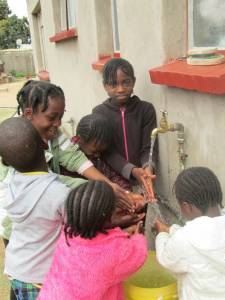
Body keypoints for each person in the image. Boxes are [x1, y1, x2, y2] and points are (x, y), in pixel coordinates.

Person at [0, 80, 133, 243]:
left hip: (46, 223)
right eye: (52, 117)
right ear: (29, 114)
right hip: (19, 232)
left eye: (61, 116)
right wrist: (101, 188)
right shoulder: (13, 143)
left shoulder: (52, 132)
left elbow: (73, 157)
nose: (58, 123)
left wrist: (107, 184)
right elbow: (45, 182)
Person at [154, 167, 225, 300]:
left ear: (186, 206)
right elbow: (209, 237)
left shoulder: (186, 239)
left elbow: (166, 259)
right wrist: (172, 230)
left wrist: (161, 234)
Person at [38, 180, 148, 300]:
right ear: (108, 217)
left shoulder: (68, 233)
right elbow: (138, 257)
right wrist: (138, 236)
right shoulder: (116, 250)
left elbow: (95, 242)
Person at [0, 117, 70, 299]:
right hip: (40, 276)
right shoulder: (58, 193)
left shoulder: (12, 181)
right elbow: (78, 225)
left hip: (17, 267)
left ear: (6, 162)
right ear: (44, 145)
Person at [92, 58, 157, 200]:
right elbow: (107, 152)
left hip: (142, 178)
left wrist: (148, 169)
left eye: (125, 82)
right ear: (105, 86)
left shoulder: (145, 110)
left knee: (140, 214)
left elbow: (149, 146)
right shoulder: (99, 113)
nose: (120, 89)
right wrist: (131, 170)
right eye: (113, 84)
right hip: (113, 180)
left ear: (133, 81)